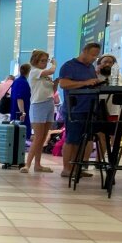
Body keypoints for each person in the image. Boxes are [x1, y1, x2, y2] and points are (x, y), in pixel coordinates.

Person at [58, 42, 103, 178]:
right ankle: (66, 168)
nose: (94, 58)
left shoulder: (90, 68)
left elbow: (91, 82)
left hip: (88, 109)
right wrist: (84, 83)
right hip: (74, 109)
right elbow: (63, 84)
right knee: (71, 139)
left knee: (82, 140)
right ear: (84, 51)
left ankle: (76, 167)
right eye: (93, 55)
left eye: (96, 56)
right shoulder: (69, 66)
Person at [22, 51, 57, 173]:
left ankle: (38, 164)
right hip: (38, 105)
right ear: (36, 61)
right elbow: (52, 70)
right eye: (42, 60)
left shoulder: (46, 76)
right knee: (37, 137)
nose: (45, 63)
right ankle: (27, 164)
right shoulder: (34, 71)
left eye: (46, 60)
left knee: (43, 138)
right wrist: (54, 64)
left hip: (49, 103)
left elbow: (51, 90)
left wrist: (56, 83)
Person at [11, 63, 32, 138]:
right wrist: (22, 112)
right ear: (29, 71)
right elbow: (19, 98)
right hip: (20, 111)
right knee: (21, 131)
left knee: (16, 131)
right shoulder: (23, 82)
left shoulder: (17, 81)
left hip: (15, 109)